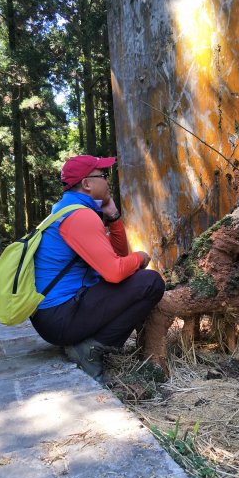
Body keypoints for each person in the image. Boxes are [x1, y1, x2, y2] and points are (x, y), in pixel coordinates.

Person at [30, 155, 165, 384]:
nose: (107, 179)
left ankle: (84, 342)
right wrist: (140, 257)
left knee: (135, 279)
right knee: (151, 282)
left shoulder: (66, 209)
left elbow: (118, 258)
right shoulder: (80, 217)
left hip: (55, 316)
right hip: (60, 317)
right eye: (103, 175)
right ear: (87, 184)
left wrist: (113, 217)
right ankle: (88, 350)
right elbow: (115, 272)